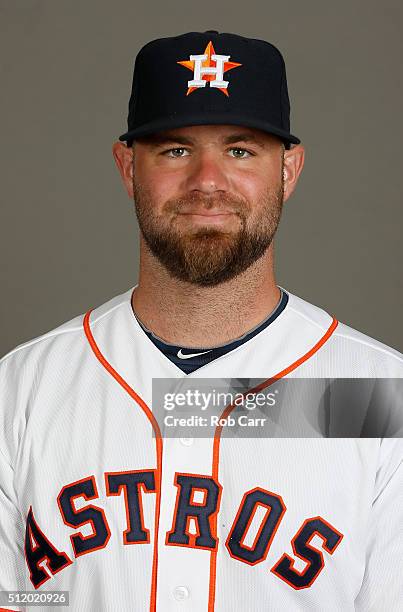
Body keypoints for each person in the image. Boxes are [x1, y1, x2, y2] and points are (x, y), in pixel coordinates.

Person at [0, 30, 402, 612]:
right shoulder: (21, 391)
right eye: (175, 150)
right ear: (126, 167)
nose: (207, 181)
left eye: (240, 150)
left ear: (288, 171)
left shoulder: (376, 397)